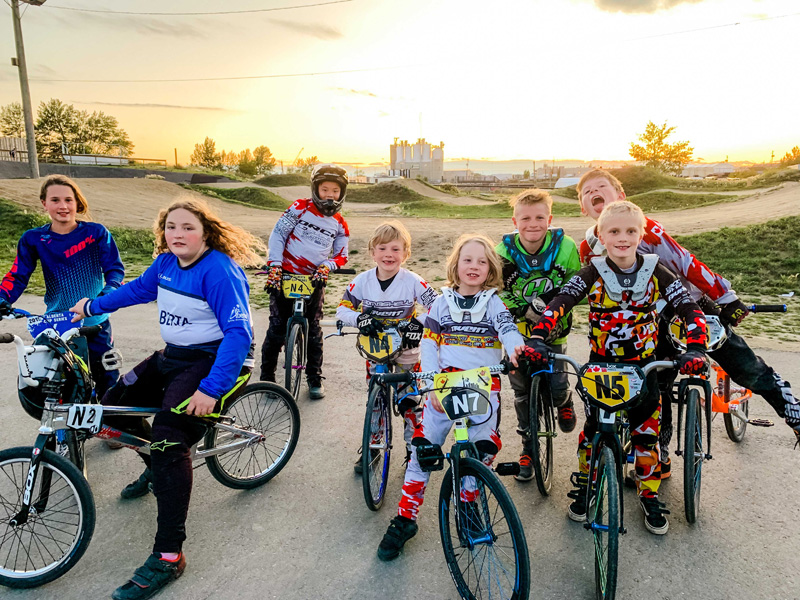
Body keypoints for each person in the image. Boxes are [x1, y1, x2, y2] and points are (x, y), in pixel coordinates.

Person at [70, 198, 263, 600]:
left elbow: (238, 334)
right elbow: (137, 291)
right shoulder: (165, 264)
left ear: (205, 232)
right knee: (112, 409)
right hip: (174, 357)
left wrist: (210, 389)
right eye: (171, 227)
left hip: (215, 363)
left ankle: (170, 555)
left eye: (187, 227)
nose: (178, 234)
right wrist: (92, 306)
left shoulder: (219, 271)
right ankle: (155, 468)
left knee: (169, 438)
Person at [576, 168, 800, 466]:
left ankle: (791, 410)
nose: (594, 193)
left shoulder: (649, 230)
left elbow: (686, 262)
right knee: (656, 383)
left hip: (688, 306)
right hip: (645, 320)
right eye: (586, 192)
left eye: (601, 186)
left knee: (737, 360)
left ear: (622, 196)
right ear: (583, 208)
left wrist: (725, 297)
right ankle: (659, 453)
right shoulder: (588, 246)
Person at [524, 201, 709, 535]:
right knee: (593, 431)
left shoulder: (656, 271)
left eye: (630, 231)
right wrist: (538, 337)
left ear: (641, 234)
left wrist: (695, 346)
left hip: (644, 367)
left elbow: (688, 307)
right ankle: (586, 484)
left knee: (646, 436)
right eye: (614, 231)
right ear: (601, 235)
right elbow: (560, 302)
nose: (622, 238)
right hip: (603, 368)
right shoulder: (592, 270)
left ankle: (648, 494)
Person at [377, 233, 526, 560]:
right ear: (455, 266)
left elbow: (507, 329)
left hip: (483, 389)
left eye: (482, 261)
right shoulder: (442, 302)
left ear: (491, 270)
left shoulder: (494, 303)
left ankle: (468, 507)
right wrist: (430, 381)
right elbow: (430, 343)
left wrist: (516, 346)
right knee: (423, 453)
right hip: (441, 388)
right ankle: (406, 517)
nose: (474, 266)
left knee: (476, 454)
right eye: (467, 260)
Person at [0, 174, 124, 398]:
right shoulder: (33, 238)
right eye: (55, 200)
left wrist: (107, 296)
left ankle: (109, 425)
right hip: (57, 323)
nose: (63, 206)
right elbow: (18, 276)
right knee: (51, 384)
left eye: (69, 199)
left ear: (77, 202)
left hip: (94, 322)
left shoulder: (96, 233)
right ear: (44, 203)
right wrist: (2, 299)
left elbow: (115, 270)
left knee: (107, 382)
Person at [336, 221, 438, 472]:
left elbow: (439, 307)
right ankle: (372, 446)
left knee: (410, 401)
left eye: (395, 249)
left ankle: (414, 448)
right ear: (372, 252)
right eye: (382, 249)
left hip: (407, 349)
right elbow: (341, 310)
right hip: (376, 348)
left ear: (406, 253)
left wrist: (418, 322)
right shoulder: (362, 281)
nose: (388, 255)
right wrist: (359, 318)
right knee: (377, 399)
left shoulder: (413, 280)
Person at [496, 189, 581, 482]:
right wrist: (523, 309)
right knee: (520, 392)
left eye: (540, 218)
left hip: (553, 329)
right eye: (526, 218)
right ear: (514, 220)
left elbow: (575, 287)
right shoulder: (503, 251)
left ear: (550, 219)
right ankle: (529, 448)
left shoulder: (566, 247)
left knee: (557, 382)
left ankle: (564, 400)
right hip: (516, 332)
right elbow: (497, 291)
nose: (533, 224)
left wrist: (547, 309)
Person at [260, 164, 350, 399]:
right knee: (277, 327)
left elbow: (341, 255)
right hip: (286, 274)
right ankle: (267, 377)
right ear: (315, 189)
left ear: (342, 193)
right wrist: (275, 265)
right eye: (324, 189)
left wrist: (327, 266)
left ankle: (314, 376)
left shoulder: (340, 223)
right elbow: (278, 235)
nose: (330, 195)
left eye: (335, 191)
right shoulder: (299, 208)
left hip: (314, 280)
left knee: (313, 330)